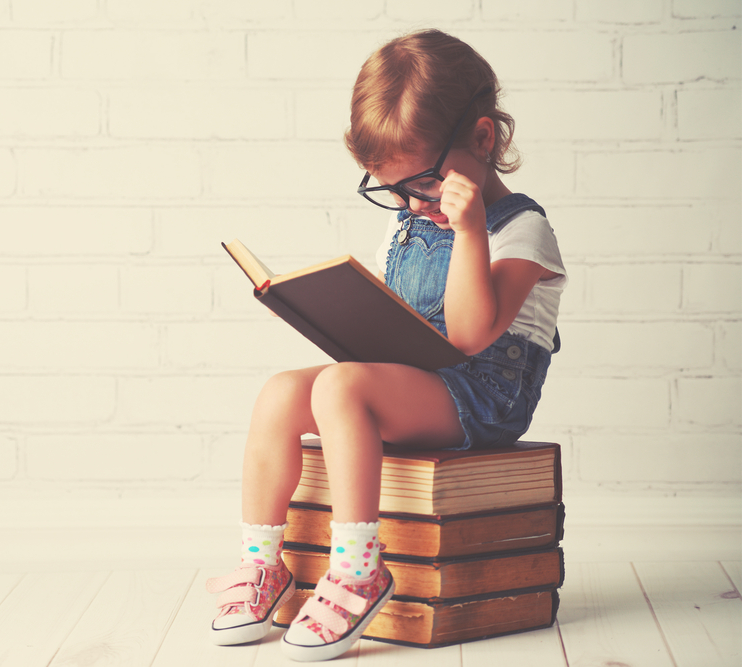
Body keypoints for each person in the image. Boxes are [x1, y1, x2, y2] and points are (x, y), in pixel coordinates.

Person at [206, 29, 566, 662]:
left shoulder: (522, 231)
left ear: (482, 140)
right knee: (282, 392)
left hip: (483, 401)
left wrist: (471, 228)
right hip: (419, 382)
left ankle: (357, 568)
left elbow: (469, 333)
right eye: (390, 190)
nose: (407, 204)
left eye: (421, 184)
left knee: (342, 386)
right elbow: (398, 328)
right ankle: (263, 564)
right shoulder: (408, 227)